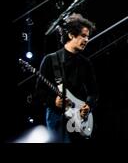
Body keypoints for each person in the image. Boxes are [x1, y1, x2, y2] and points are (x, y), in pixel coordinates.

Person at [36, 13, 98, 142]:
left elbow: (93, 92)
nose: (87, 40)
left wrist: (88, 106)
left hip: (79, 118)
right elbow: (39, 91)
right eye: (83, 36)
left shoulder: (86, 63)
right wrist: (54, 101)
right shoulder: (50, 60)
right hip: (56, 116)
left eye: (88, 37)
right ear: (71, 35)